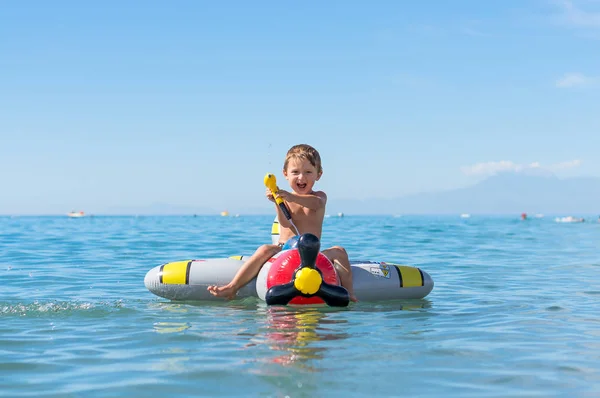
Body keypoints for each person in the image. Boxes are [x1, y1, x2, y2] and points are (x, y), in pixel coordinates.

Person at [207, 144, 357, 302]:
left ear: (318, 175)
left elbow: (316, 204)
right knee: (264, 249)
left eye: (308, 172)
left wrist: (291, 198)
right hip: (284, 251)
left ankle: (350, 292)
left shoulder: (319, 197)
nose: (301, 177)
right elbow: (285, 223)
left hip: (312, 255)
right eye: (295, 172)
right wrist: (277, 201)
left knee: (339, 251)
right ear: (285, 174)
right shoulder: (284, 198)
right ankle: (232, 287)